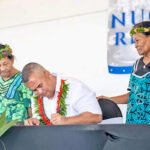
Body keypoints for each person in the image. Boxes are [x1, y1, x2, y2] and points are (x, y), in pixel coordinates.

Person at [97, 21, 150, 124]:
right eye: (134, 42)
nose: (135, 45)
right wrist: (108, 100)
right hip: (133, 123)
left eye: (137, 40)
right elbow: (132, 95)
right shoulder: (136, 64)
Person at [22, 62, 102, 125]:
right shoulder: (35, 98)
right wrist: (34, 121)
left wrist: (66, 120)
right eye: (34, 90)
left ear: (47, 74)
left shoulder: (75, 87)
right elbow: (41, 123)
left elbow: (96, 117)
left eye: (40, 85)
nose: (39, 92)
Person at [0, 44, 32, 121]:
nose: (2, 68)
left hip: (20, 128)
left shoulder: (24, 79)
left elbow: (30, 108)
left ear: (12, 60)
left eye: (5, 64)